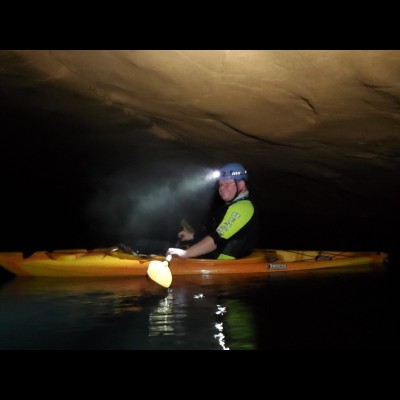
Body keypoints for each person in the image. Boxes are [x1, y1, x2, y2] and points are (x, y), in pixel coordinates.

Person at [167, 162, 260, 260]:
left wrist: (186, 253)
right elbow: (215, 232)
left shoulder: (243, 208)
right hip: (215, 260)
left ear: (241, 184)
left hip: (225, 266)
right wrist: (193, 236)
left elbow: (216, 239)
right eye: (220, 184)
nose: (222, 188)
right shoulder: (232, 206)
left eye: (228, 183)